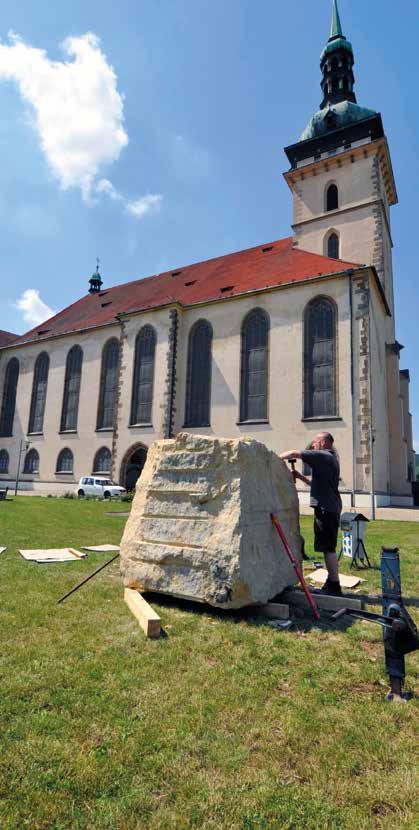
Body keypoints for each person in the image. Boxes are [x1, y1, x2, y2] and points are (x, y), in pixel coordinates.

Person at [280, 432, 342, 596]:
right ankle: (332, 582)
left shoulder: (323, 456)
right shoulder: (330, 459)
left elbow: (293, 454)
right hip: (330, 506)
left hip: (326, 508)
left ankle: (334, 585)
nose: (313, 446)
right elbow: (316, 484)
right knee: (328, 546)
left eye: (314, 443)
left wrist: (274, 459)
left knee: (328, 548)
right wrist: (300, 476)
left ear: (322, 442)